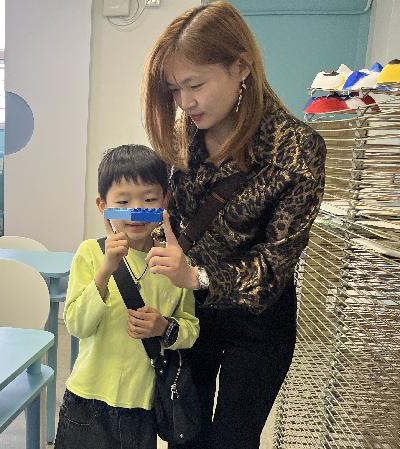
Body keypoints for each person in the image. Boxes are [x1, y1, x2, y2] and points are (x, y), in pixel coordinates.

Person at [141, 2, 327, 449]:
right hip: (191, 310)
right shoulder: (188, 133)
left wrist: (197, 276)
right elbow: (173, 219)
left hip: (258, 320)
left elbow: (274, 266)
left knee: (234, 439)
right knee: (183, 429)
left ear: (241, 67)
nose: (185, 102)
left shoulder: (297, 149)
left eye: (195, 85)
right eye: (174, 89)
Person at [54, 144, 200, 449]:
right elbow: (77, 325)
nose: (136, 210)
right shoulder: (91, 253)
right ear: (103, 205)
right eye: (123, 201)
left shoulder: (175, 264)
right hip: (87, 399)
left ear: (165, 201)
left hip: (141, 406)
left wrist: (164, 327)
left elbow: (190, 329)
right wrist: (106, 270)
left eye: (148, 199)